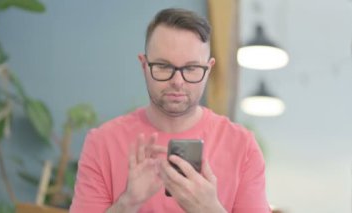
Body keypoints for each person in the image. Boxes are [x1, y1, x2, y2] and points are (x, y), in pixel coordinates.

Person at [70, 8, 270, 213]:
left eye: (191, 68)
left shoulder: (243, 147)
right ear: (144, 65)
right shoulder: (102, 143)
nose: (177, 81)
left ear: (208, 69)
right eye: (164, 66)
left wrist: (210, 209)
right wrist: (128, 203)